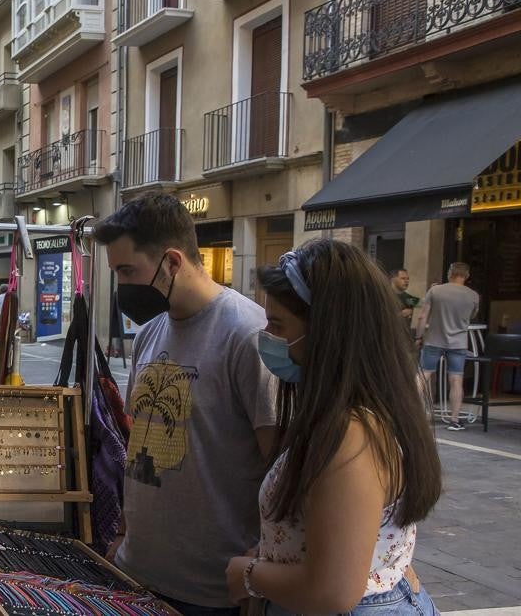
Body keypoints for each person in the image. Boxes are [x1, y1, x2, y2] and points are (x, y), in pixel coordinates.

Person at [226, 239, 441, 615]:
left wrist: (246, 574)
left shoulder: (352, 434)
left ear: (328, 332)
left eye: (278, 325)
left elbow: (334, 591)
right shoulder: (345, 417)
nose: (267, 337)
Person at [93, 192, 277, 616]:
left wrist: (256, 575)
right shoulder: (148, 335)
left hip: (212, 593)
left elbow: (281, 467)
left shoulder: (247, 335)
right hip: (136, 574)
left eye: (127, 271)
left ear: (172, 262)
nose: (122, 287)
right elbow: (140, 443)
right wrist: (123, 533)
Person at [416, 262, 480, 430]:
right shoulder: (473, 295)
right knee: (456, 379)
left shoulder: (435, 291)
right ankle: (454, 420)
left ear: (450, 273)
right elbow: (472, 315)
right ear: (466, 275)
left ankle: (410, 414)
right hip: (458, 343)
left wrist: (418, 337)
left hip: (433, 340)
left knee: (423, 376)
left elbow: (423, 317)